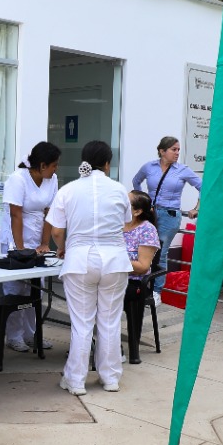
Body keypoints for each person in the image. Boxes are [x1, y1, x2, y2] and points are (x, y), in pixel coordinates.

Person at [46, 142, 133, 395]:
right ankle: (110, 378)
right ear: (107, 163)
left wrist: (63, 247)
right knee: (110, 321)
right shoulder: (119, 190)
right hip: (114, 260)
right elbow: (126, 224)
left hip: (80, 259)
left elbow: (57, 231)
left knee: (82, 324)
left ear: (84, 161)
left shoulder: (68, 189)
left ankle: (75, 380)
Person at [3, 141, 61, 353]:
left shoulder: (51, 179)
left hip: (37, 237)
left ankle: (32, 334)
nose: (56, 169)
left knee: (36, 287)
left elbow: (49, 213)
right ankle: (14, 335)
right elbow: (15, 214)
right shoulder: (18, 179)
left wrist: (45, 243)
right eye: (54, 165)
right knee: (16, 288)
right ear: (42, 165)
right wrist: (20, 249)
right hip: (16, 236)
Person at [131, 136, 204, 286]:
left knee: (161, 252)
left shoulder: (183, 170)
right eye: (173, 149)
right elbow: (136, 181)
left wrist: (197, 208)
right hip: (150, 214)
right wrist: (143, 203)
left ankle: (156, 291)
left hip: (170, 216)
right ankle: (143, 286)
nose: (177, 153)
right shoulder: (149, 167)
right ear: (162, 151)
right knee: (145, 249)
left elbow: (203, 187)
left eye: (178, 150)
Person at [122, 190, 162, 365]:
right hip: (110, 277)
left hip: (134, 282)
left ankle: (120, 349)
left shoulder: (147, 229)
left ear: (137, 211)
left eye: (126, 201)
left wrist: (112, 262)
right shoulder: (115, 224)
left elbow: (143, 266)